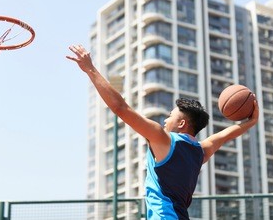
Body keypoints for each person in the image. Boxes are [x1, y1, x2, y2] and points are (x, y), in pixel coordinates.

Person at [66, 44, 259, 219]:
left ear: (182, 123)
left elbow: (121, 108)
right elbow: (224, 136)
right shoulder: (199, 152)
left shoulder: (164, 139)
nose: (166, 119)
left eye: (171, 115)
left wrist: (90, 69)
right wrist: (252, 121)